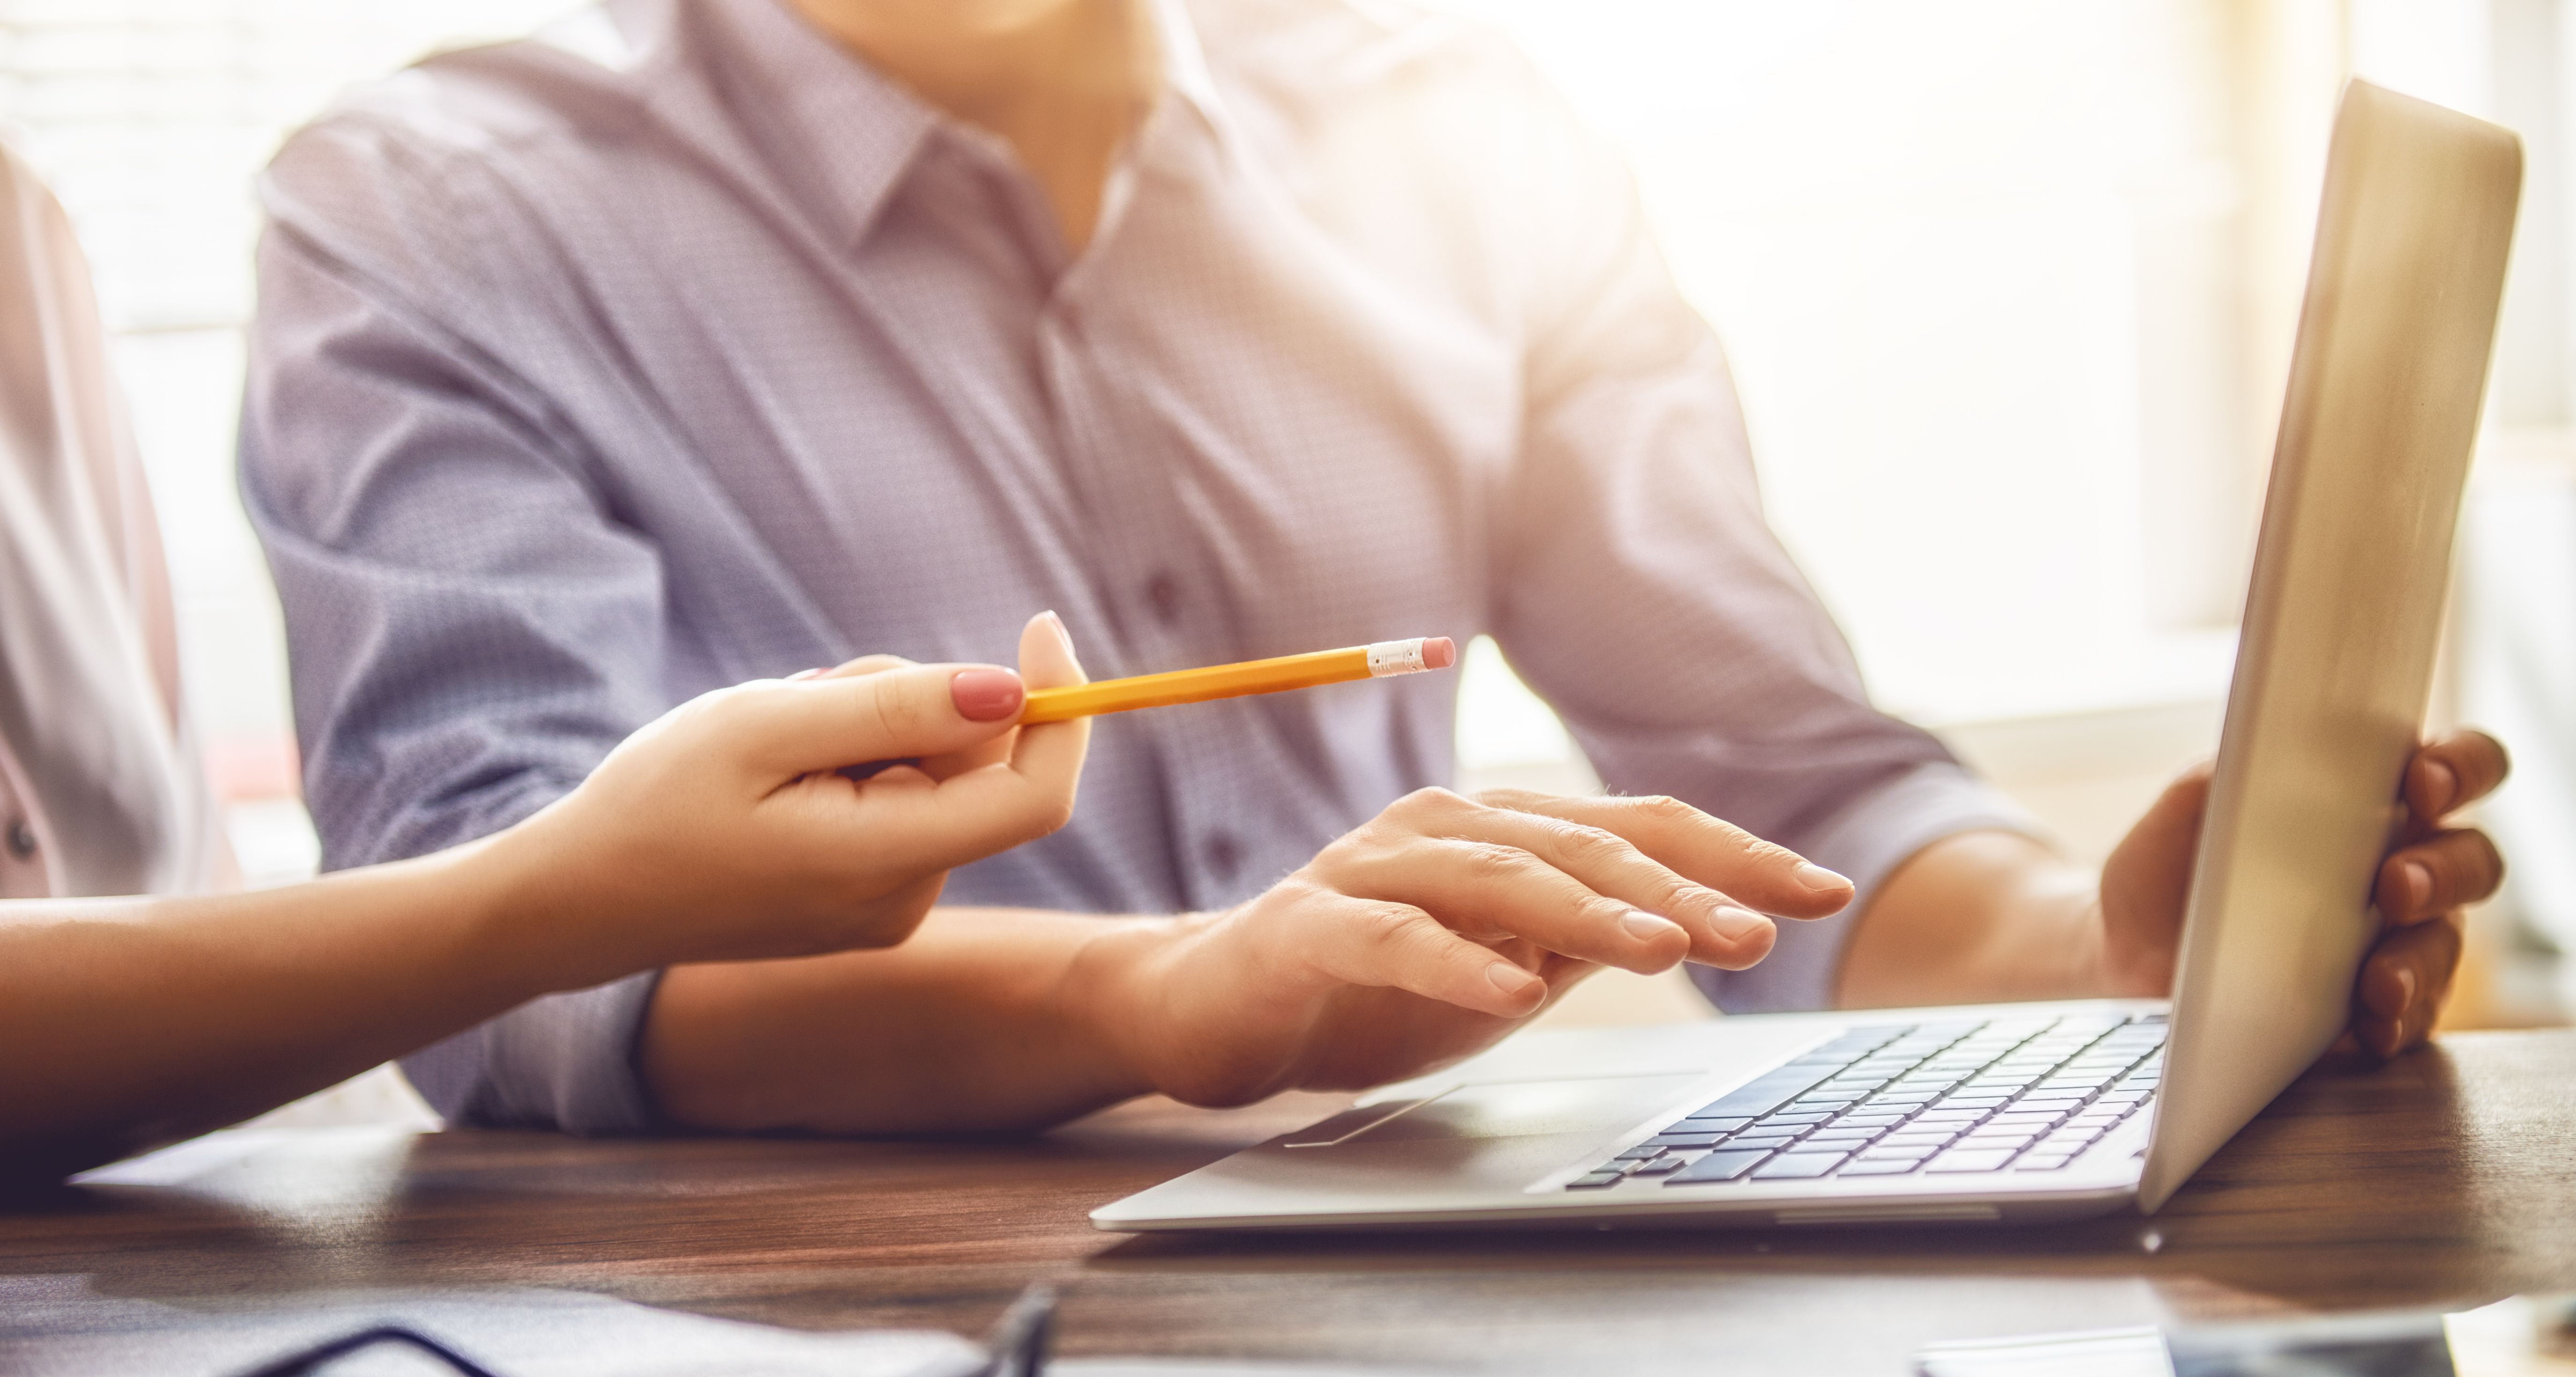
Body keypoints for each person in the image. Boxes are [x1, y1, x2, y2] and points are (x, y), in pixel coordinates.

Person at [242, 0, 2507, 1140]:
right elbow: (491, 949)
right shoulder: (436, 206)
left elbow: (1787, 795)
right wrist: (1155, 1001)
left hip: (1407, 1281)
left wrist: (2097, 968)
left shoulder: (1462, 125)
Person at [0, 101, 1096, 1178]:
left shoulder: (21, 233)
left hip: (209, 1270)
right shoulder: (422, 203)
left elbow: (186, 914)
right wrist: (573, 892)